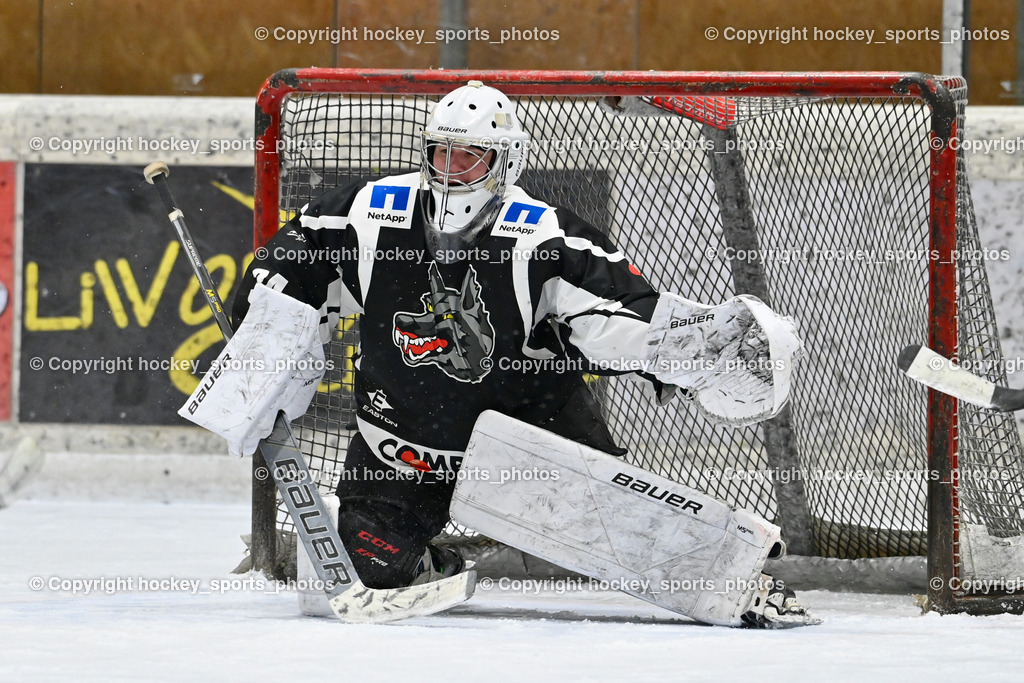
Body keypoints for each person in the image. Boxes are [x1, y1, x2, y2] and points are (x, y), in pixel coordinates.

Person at [186, 81, 811, 626]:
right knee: (367, 564)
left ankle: (741, 580)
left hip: (528, 439)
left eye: (469, 156)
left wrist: (695, 345)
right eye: (440, 152)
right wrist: (265, 340)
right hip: (400, 445)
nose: (450, 169)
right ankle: (432, 560)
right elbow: (293, 257)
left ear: (504, 160)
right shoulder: (369, 212)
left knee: (635, 539)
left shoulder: (541, 233)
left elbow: (620, 311)